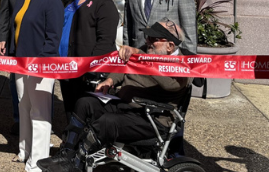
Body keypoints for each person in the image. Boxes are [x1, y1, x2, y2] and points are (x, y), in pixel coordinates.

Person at [37, 20, 191, 172]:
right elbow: (123, 67)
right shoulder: (149, 51)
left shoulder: (184, 67)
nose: (147, 41)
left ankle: (77, 162)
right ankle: (67, 153)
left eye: (153, 39)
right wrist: (110, 80)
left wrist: (142, 57)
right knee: (85, 103)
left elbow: (171, 85)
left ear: (170, 46)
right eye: (148, 37)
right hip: (125, 105)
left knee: (107, 122)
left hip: (151, 118)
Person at [0, 0, 76, 132]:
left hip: (40, 47)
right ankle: (20, 123)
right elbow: (4, 11)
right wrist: (2, 36)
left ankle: (41, 126)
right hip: (18, 44)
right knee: (18, 90)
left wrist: (55, 15)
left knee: (40, 98)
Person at [7, 0, 64, 171]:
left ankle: (39, 160)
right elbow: (16, 28)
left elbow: (53, 37)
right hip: (21, 62)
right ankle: (25, 151)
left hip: (41, 65)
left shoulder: (53, 2)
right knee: (24, 106)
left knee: (39, 112)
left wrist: (41, 63)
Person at [58, 0, 119, 121]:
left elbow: (105, 41)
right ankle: (71, 138)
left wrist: (91, 67)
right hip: (66, 63)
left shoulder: (105, 4)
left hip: (85, 68)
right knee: (69, 104)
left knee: (83, 108)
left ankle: (81, 141)